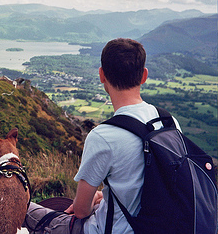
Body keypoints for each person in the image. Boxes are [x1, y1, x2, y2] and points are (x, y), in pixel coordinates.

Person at [24, 38, 180, 234]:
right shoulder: (168, 122)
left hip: (106, 230)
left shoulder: (104, 136)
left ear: (102, 75)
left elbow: (80, 211)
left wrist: (93, 201)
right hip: (160, 227)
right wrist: (104, 197)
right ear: (144, 75)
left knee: (22, 208)